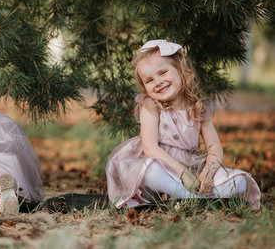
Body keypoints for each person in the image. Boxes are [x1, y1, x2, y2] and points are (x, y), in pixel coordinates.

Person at [106, 40, 260, 209]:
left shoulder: (198, 107)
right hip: (164, 168)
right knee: (151, 172)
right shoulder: (151, 105)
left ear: (181, 70)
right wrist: (183, 174)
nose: (157, 82)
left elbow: (215, 148)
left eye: (163, 72)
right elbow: (150, 148)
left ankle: (189, 197)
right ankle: (191, 198)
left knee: (239, 182)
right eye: (149, 80)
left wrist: (207, 174)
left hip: (193, 170)